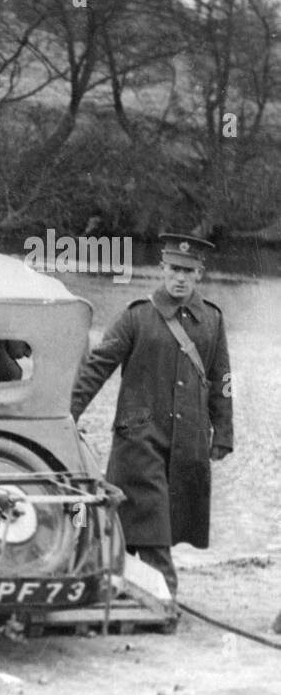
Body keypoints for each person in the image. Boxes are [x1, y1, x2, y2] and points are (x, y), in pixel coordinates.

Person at [71, 232, 233, 597]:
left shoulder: (211, 321)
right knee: (150, 514)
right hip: (139, 438)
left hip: (186, 440)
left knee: (145, 519)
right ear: (162, 269)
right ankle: (164, 593)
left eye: (188, 272)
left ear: (199, 275)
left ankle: (119, 579)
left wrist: (223, 432)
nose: (180, 277)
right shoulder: (136, 317)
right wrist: (67, 414)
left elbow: (222, 379)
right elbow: (98, 367)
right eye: (174, 268)